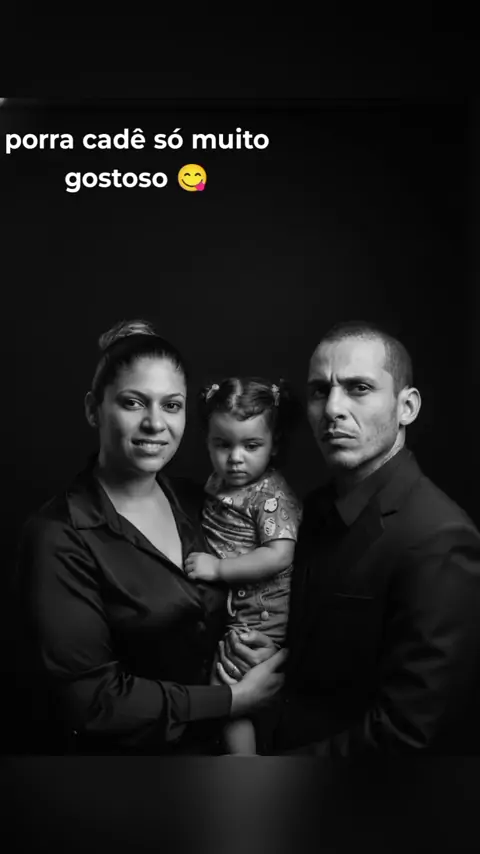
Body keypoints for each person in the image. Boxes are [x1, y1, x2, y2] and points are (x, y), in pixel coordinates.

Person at [15, 319, 286, 755]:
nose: (155, 423)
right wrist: (232, 700)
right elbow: (92, 702)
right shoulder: (58, 536)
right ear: (93, 409)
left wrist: (254, 644)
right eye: (133, 403)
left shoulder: (200, 502)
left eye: (172, 405)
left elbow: (239, 600)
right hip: (131, 776)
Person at [221, 320, 480, 756]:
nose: (333, 408)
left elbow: (408, 732)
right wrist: (280, 656)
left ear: (407, 407)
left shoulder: (440, 539)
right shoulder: (317, 508)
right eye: (320, 391)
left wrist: (268, 778)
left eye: (359, 388)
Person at [184, 377, 302, 754]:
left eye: (251, 446)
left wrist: (218, 570)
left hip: (262, 616)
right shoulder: (218, 483)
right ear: (207, 442)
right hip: (233, 610)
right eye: (223, 444)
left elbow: (279, 554)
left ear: (273, 444)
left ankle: (244, 767)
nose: (236, 457)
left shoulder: (271, 495)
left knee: (227, 686)